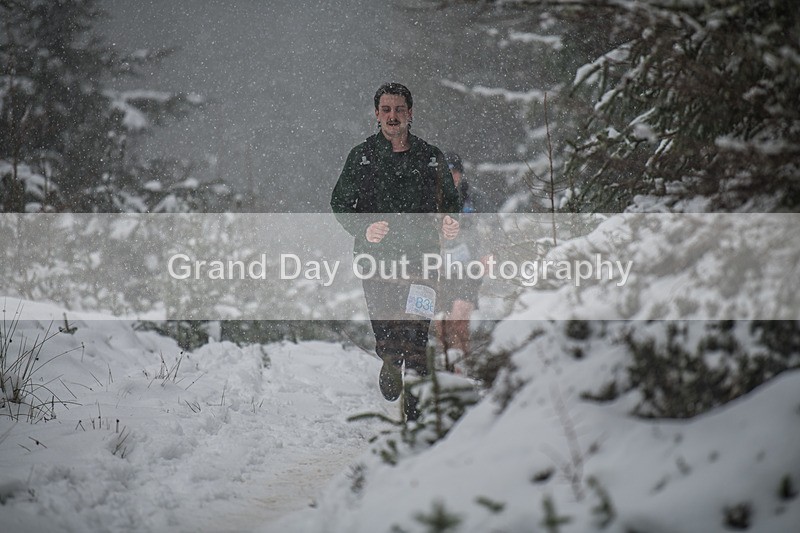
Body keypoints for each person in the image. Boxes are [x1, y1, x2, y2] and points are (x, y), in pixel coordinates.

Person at [330, 82, 462, 420]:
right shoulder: (361, 157)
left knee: (417, 337)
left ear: (410, 113)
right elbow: (340, 203)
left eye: (399, 109)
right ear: (376, 114)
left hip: (423, 264)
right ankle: (390, 359)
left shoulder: (430, 157)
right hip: (377, 264)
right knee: (389, 336)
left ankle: (415, 421)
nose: (393, 116)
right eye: (386, 110)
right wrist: (364, 228)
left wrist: (450, 221)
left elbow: (450, 202)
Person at [434, 152, 487, 371]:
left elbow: (493, 227)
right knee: (443, 322)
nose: (451, 177)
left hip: (470, 267)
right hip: (442, 268)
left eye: (454, 172)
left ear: (461, 174)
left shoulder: (474, 198)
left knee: (460, 314)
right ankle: (448, 368)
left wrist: (488, 255)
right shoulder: (430, 200)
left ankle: (462, 367)